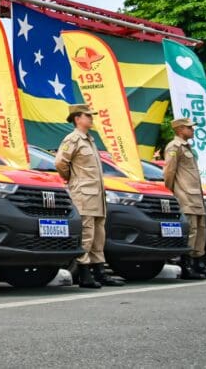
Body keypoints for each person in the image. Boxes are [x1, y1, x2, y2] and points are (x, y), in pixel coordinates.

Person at [54, 104, 122, 289]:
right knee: (86, 234)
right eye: (88, 116)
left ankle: (100, 272)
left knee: (99, 235)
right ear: (77, 118)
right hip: (83, 193)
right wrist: (73, 179)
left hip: (97, 195)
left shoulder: (89, 140)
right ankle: (84, 274)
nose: (91, 118)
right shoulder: (73, 139)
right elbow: (60, 162)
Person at [163, 118, 206, 281]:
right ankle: (187, 265)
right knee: (191, 231)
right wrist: (171, 193)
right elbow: (169, 172)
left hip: (196, 195)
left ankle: (199, 263)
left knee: (201, 229)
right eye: (189, 128)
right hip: (185, 195)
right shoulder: (174, 147)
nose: (193, 130)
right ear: (180, 129)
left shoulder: (187, 147)